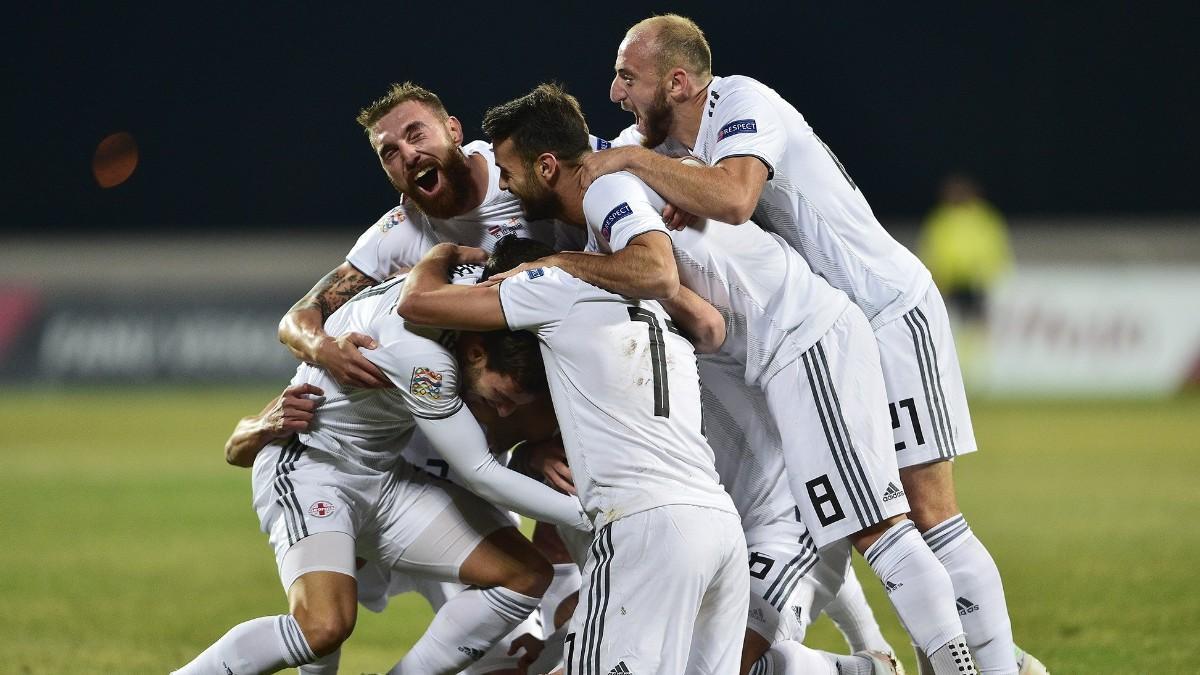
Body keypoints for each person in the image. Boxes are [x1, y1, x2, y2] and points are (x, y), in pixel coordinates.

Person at [580, 15, 1040, 674]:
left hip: (886, 310)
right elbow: (599, 160)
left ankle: (997, 665)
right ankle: (971, 657)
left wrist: (638, 164)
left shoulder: (742, 103)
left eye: (629, 75)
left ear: (678, 81)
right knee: (876, 517)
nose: (616, 89)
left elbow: (735, 198)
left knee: (927, 511)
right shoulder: (663, 144)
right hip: (832, 330)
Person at [477, 83, 969, 675]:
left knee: (878, 528)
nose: (503, 187)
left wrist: (555, 266)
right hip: (767, 375)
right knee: (730, 648)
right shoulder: (613, 204)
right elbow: (705, 323)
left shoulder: (608, 190)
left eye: (507, 171)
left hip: (800, 339)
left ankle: (967, 664)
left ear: (547, 165)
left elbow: (658, 271)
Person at [173, 269, 592, 675]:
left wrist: (442, 255)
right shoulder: (425, 360)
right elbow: (481, 471)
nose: (502, 411)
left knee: (524, 574)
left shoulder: (453, 294)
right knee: (323, 626)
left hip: (387, 477)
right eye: (502, 396)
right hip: (314, 468)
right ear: (477, 352)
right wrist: (592, 515)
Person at [397, 235, 749, 675]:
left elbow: (417, 302)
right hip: (717, 522)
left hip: (648, 525)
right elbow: (712, 329)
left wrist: (441, 253)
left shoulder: (546, 290)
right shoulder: (649, 303)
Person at [917, 174, 1013, 389]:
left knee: (974, 330)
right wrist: (934, 275)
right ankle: (953, 373)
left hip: (974, 282)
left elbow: (995, 247)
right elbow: (932, 248)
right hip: (948, 282)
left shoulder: (982, 218)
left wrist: (989, 273)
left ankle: (973, 376)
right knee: (950, 328)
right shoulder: (942, 219)